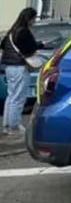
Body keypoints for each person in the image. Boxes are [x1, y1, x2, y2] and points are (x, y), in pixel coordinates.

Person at [2, 8, 43, 136]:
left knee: (11, 96)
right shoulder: (23, 32)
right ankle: (14, 126)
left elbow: (3, 45)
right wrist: (40, 45)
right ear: (29, 19)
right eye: (34, 18)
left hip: (9, 67)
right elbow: (29, 48)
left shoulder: (12, 31)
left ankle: (7, 125)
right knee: (19, 98)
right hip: (19, 66)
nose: (35, 21)